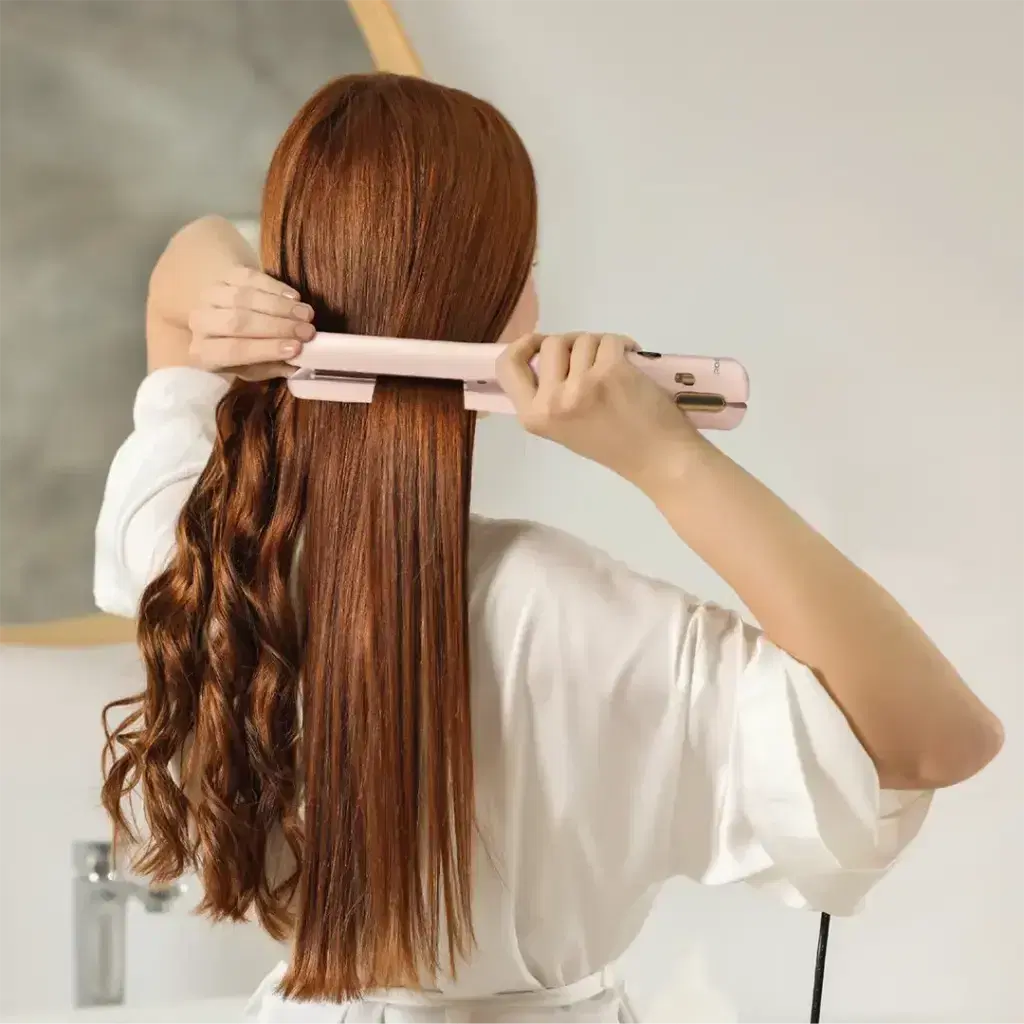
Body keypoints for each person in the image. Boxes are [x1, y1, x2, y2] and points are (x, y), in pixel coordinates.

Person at [94, 73, 1002, 1023]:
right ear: (504, 310)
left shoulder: (199, 546)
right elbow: (942, 739)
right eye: (525, 265)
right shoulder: (565, 612)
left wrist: (222, 292)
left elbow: (175, 286)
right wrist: (669, 460)